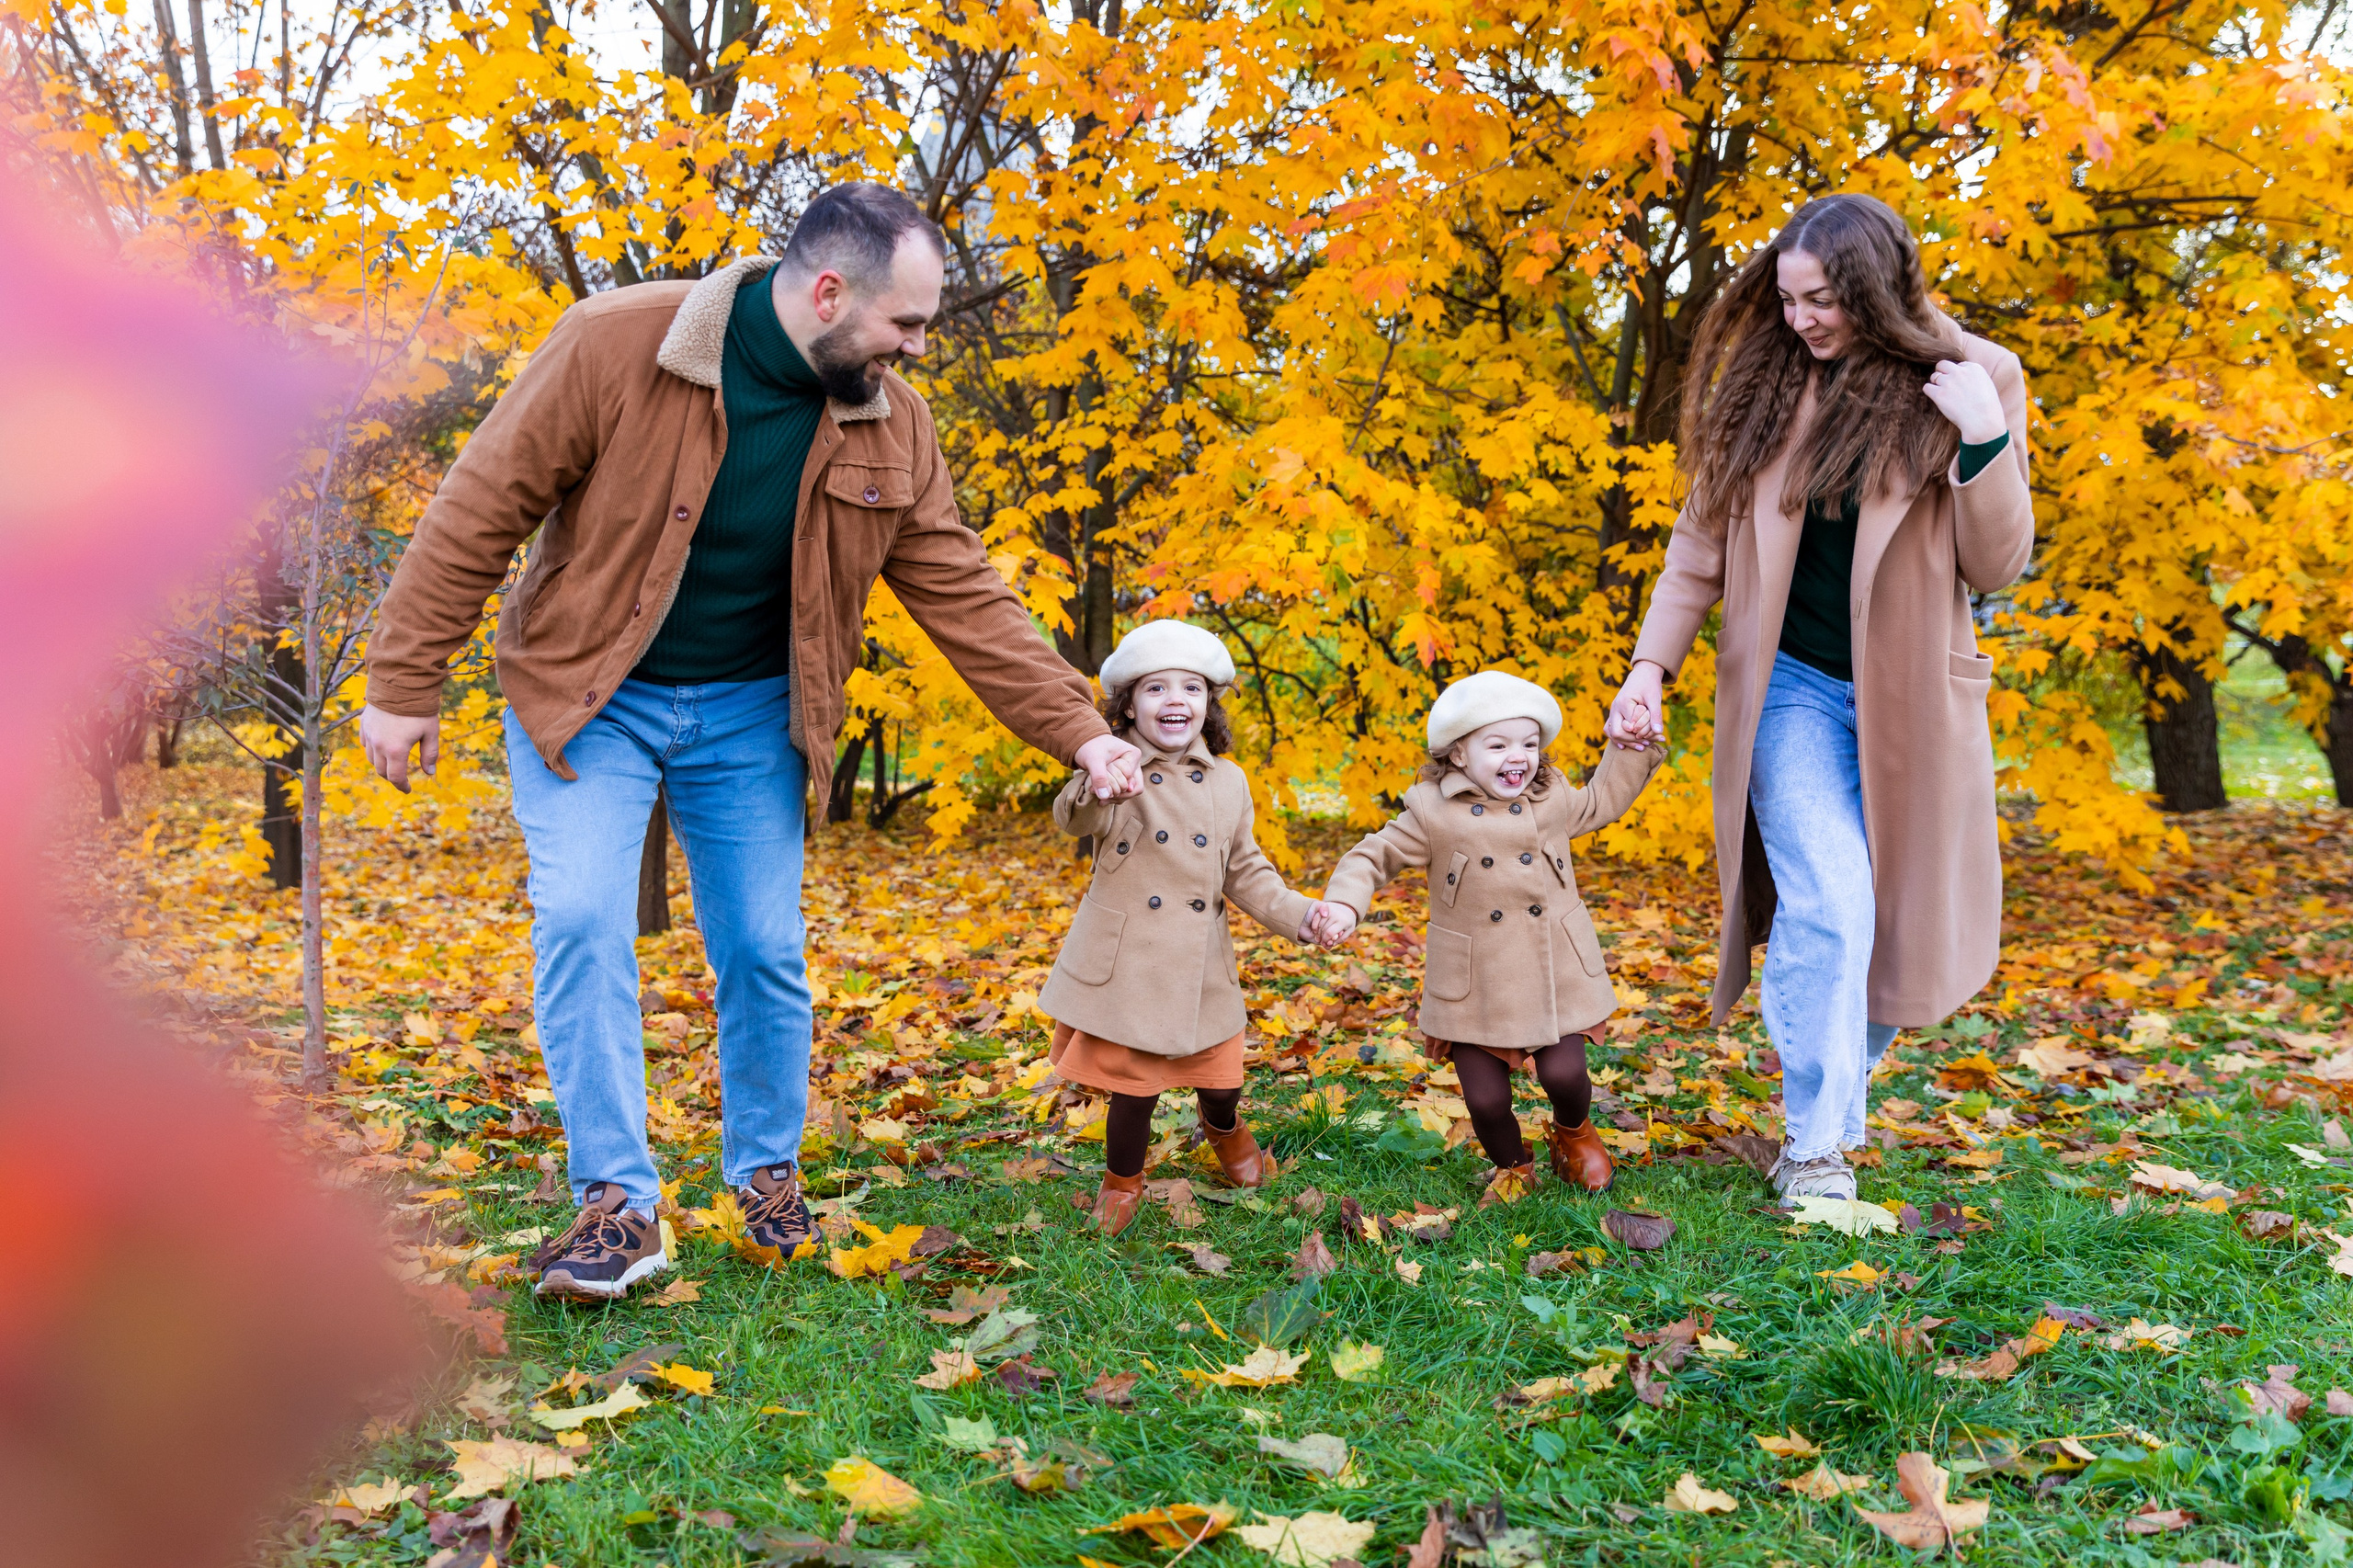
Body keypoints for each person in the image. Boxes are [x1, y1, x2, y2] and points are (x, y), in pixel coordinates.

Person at [359, 183, 1144, 1300]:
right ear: (827, 293)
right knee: (582, 917)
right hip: (593, 693)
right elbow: (481, 504)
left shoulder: (891, 418)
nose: (914, 350)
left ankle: (766, 1171)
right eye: (904, 325)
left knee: (764, 950)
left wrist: (1078, 731)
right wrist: (404, 679)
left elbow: (962, 591)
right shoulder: (617, 343)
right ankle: (616, 1205)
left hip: (752, 711)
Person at [1604, 192, 2033, 1206]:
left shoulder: (1978, 376)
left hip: (1912, 703)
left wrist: (1979, 440)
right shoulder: (1758, 382)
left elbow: (1998, 562)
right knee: (1829, 903)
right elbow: (1697, 548)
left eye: (1824, 301)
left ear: (1879, 290)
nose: (1802, 320)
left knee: (1893, 925)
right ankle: (1813, 1150)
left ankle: (1828, 1118)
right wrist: (1646, 669)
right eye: (1789, 298)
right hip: (1788, 690)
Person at [1039, 620, 1344, 1236]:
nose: (1175, 701)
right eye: (1155, 689)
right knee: (1136, 1090)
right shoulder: (1116, 771)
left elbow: (1245, 869)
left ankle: (1224, 1129)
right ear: (1127, 706)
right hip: (1132, 964)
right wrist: (1099, 775)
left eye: (1192, 689)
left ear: (1209, 705)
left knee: (1220, 1078)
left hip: (1200, 962)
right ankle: (1122, 1182)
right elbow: (1074, 818)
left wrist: (1301, 915)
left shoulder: (1229, 781)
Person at [1317, 671, 1660, 1201]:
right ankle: (1513, 1165)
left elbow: (1604, 801)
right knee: (1485, 1099)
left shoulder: (1551, 796)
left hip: (1553, 966)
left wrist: (1628, 748)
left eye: (1528, 743)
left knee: (1566, 1075)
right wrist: (1344, 901)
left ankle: (1573, 1132)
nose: (1517, 757)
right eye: (1497, 745)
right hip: (1475, 977)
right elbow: (1374, 854)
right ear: (1458, 754)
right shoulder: (1431, 811)